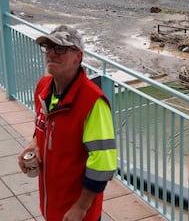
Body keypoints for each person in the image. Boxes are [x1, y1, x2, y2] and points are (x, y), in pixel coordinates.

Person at [18, 25, 117, 221]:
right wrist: (34, 144)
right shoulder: (44, 86)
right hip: (51, 203)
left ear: (78, 57)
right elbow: (42, 126)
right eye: (48, 47)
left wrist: (81, 208)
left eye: (60, 48)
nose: (52, 54)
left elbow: (103, 164)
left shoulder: (93, 102)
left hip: (76, 212)